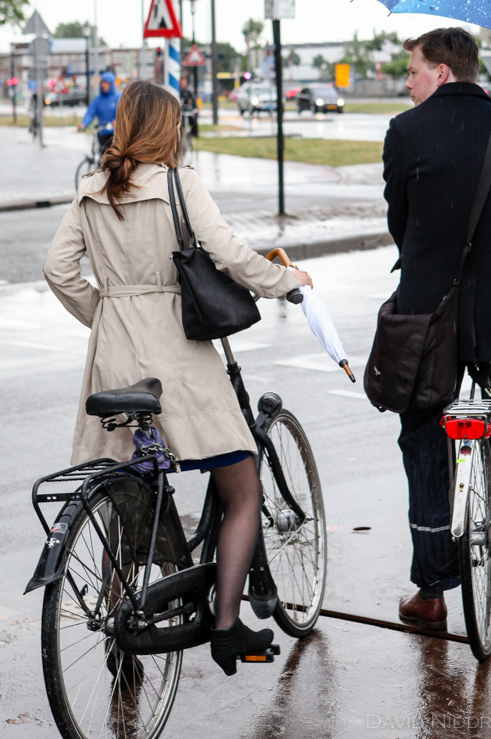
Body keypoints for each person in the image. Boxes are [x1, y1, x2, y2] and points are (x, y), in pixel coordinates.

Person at [44, 80, 312, 679]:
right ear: (168, 127)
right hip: (179, 354)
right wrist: (285, 281)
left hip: (114, 351)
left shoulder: (91, 190)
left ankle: (121, 620)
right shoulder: (178, 184)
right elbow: (228, 253)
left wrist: (105, 315)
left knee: (124, 491)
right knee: (241, 479)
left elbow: (56, 268)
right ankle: (224, 626)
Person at [381, 27, 491, 632]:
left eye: (412, 70)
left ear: (441, 71)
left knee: (425, 439)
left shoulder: (407, 132)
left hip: (429, 315)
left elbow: (399, 224)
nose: (407, 81)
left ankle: (431, 593)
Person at [79, 71, 120, 153]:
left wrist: (117, 122)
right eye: (102, 82)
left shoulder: (119, 97)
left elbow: (124, 113)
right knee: (102, 155)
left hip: (116, 134)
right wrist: (84, 124)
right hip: (103, 133)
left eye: (106, 83)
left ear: (111, 84)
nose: (103, 85)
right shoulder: (98, 100)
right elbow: (90, 113)